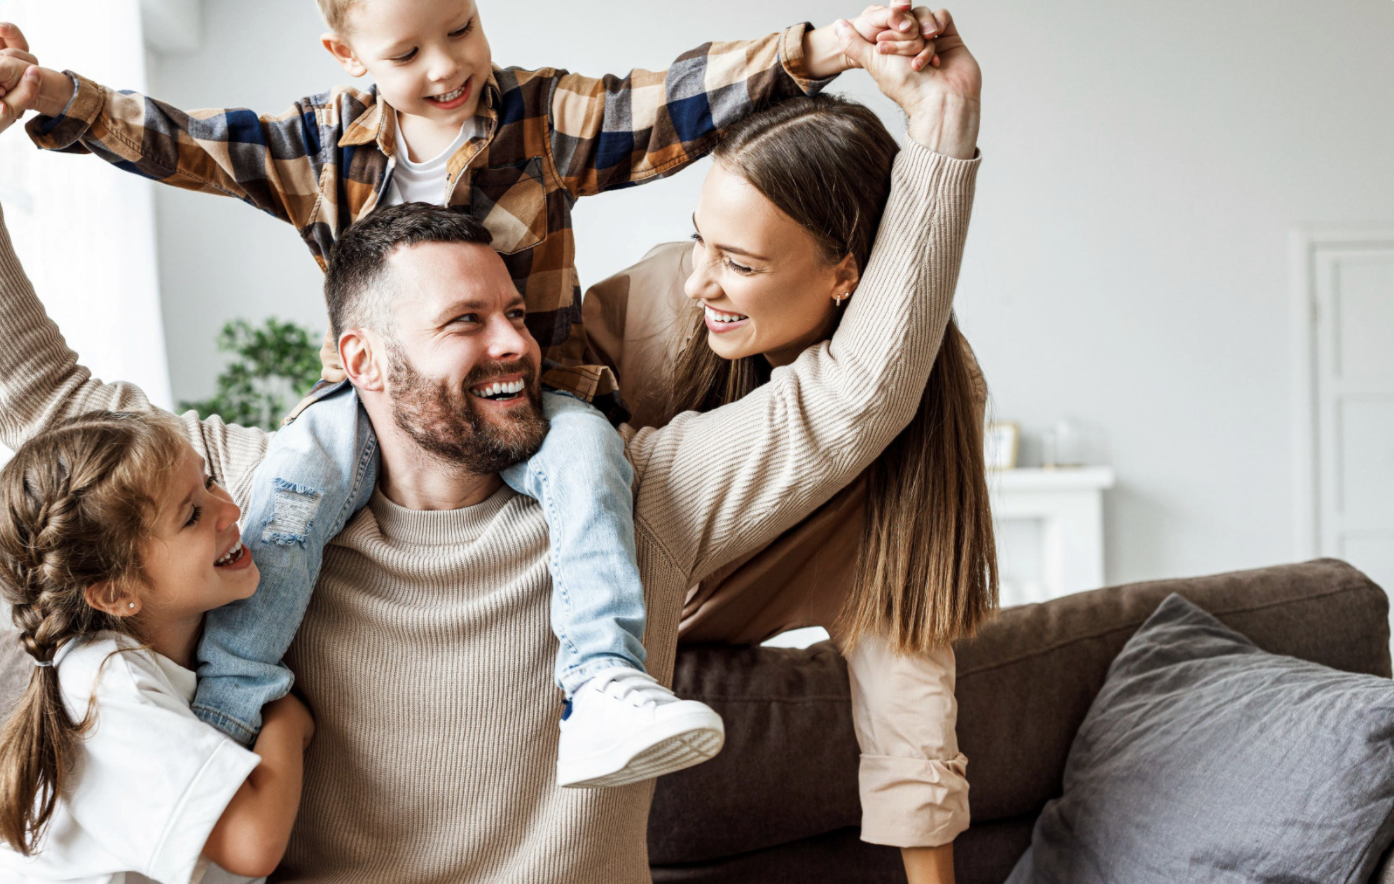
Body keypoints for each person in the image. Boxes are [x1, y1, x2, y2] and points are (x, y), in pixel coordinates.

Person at [0, 12, 981, 880]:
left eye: (516, 309)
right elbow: (49, 400)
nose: (518, 341)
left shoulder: (635, 493)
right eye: (465, 321)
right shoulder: (260, 512)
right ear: (365, 360)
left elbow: (862, 392)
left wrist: (939, 121)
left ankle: (600, 684)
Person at [582, 14, 990, 881]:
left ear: (846, 272)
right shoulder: (656, 305)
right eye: (699, 237)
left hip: (706, 636)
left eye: (741, 262)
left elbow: (905, 663)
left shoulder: (918, 415)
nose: (700, 281)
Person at [0, 411, 315, 881]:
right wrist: (286, 717)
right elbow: (251, 843)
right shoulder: (104, 680)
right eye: (191, 516)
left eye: (209, 482)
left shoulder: (198, 640)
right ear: (116, 593)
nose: (230, 509)